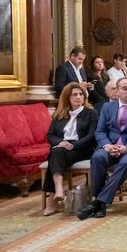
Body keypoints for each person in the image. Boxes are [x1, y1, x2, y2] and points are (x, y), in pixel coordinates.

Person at [78, 77, 127, 220]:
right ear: (117, 91)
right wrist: (106, 145)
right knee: (98, 157)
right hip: (110, 145)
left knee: (125, 163)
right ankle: (100, 202)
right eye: (124, 89)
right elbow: (100, 131)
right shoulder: (107, 107)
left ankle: (98, 202)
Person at [43, 83, 98, 216]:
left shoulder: (91, 113)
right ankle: (59, 189)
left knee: (54, 156)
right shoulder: (59, 114)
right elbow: (50, 135)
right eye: (75, 95)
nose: (78, 97)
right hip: (62, 147)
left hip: (82, 149)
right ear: (67, 97)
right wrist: (61, 142)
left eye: (81, 94)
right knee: (56, 152)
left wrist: (73, 145)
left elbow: (92, 136)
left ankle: (52, 199)